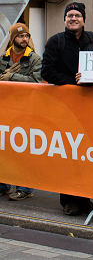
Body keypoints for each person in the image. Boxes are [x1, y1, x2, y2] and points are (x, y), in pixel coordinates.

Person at [41, 2, 93, 216]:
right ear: (65, 19)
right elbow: (47, 71)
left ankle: (84, 198)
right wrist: (72, 83)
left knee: (87, 154)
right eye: (70, 15)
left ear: (84, 19)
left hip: (90, 107)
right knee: (67, 155)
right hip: (65, 107)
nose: (73, 18)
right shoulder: (55, 41)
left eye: (77, 15)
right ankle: (68, 201)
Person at [0, 23, 42, 201]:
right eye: (20, 36)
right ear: (12, 38)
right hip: (6, 109)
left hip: (27, 110)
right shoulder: (3, 58)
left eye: (26, 36)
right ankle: (4, 184)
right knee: (5, 148)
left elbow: (38, 82)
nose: (24, 39)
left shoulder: (34, 59)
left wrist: (12, 77)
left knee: (24, 150)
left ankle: (25, 188)